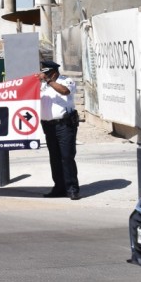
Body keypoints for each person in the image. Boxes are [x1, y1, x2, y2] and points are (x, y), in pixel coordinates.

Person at [38, 60, 80, 200]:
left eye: (46, 73)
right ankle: (59, 188)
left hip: (65, 125)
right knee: (54, 158)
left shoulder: (66, 81)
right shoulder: (42, 85)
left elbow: (64, 91)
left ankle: (72, 188)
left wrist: (48, 81)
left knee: (67, 157)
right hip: (48, 126)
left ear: (53, 73)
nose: (44, 76)